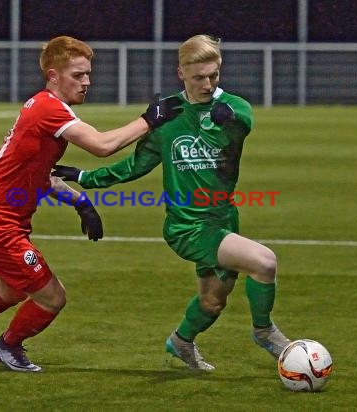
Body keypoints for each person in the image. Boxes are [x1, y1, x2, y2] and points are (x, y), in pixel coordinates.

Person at [0, 35, 182, 372]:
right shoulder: (49, 108)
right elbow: (103, 145)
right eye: (78, 75)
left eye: (88, 74)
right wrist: (150, 119)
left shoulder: (43, 107)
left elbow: (40, 174)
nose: (87, 82)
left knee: (14, 290)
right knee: (52, 296)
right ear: (53, 75)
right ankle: (8, 346)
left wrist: (81, 203)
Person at [53, 34, 290, 370]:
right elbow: (135, 165)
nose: (207, 84)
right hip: (188, 227)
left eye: (214, 76)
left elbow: (244, 121)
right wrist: (84, 178)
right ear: (181, 74)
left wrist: (230, 121)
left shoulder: (233, 108)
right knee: (264, 262)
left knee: (212, 302)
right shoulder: (167, 117)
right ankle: (264, 331)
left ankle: (180, 342)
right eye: (198, 77)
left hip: (223, 220)